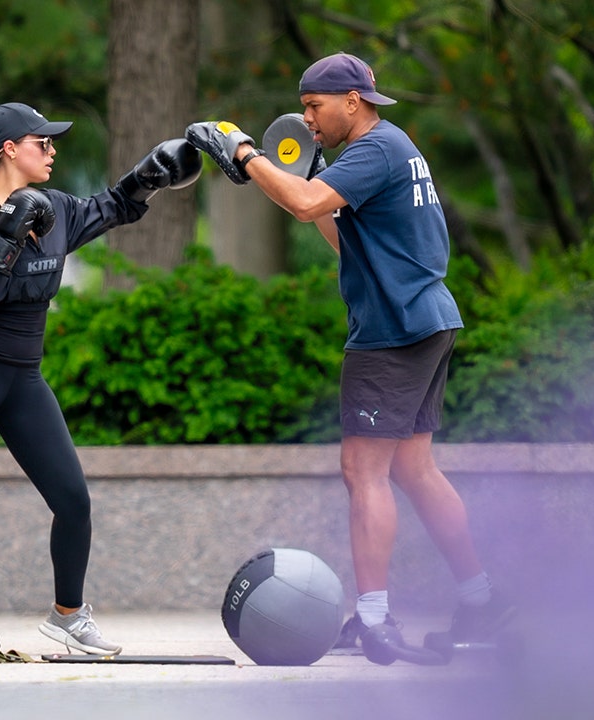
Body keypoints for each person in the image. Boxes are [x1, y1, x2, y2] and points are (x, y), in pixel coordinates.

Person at [187, 54, 515, 660]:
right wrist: (304, 182)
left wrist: (243, 153)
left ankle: (374, 619)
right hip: (426, 319)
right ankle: (482, 600)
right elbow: (340, 232)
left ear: (353, 102)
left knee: (362, 472)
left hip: (392, 332)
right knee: (414, 470)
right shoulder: (391, 147)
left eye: (315, 107)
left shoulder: (374, 149)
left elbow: (306, 205)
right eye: (304, 108)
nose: (308, 119)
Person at [0, 102, 201, 655]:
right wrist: (8, 233)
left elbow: (113, 205)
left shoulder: (56, 210)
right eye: (41, 143)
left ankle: (67, 618)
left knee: (73, 499)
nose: (52, 151)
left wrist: (151, 177)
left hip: (23, 378)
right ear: (10, 150)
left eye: (52, 144)